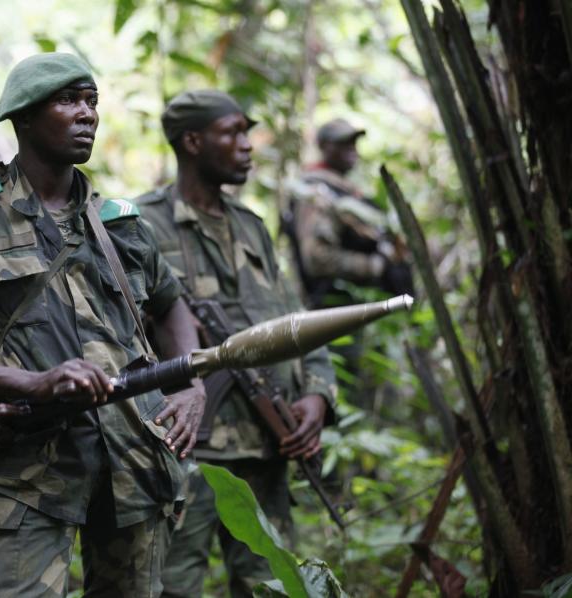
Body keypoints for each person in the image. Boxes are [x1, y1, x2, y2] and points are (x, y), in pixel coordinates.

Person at [0, 53, 205, 597]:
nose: (87, 114)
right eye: (69, 101)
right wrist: (31, 383)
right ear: (23, 118)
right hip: (27, 472)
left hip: (133, 463)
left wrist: (191, 385)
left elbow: (172, 303)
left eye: (92, 101)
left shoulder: (121, 225)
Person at [135, 90, 337, 597]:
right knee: (172, 588)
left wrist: (316, 395)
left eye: (247, 133)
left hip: (266, 449)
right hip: (182, 454)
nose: (247, 146)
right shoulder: (139, 224)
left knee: (271, 587)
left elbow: (297, 321)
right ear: (193, 141)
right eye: (233, 133)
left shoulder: (252, 228)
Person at [287, 118, 413, 309]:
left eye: (353, 142)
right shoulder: (316, 192)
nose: (352, 148)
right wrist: (375, 266)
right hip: (341, 309)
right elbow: (317, 259)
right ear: (324, 147)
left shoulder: (345, 189)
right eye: (342, 143)